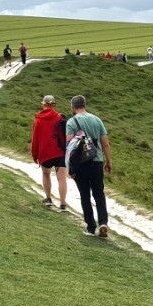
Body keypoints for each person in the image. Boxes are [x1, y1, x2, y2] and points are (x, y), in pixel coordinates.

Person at [64, 94, 112, 237]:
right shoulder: (97, 120)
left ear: (72, 107)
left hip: (81, 164)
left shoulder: (72, 122)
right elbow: (105, 144)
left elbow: (70, 146)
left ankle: (90, 227)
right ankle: (103, 222)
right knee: (99, 193)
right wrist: (108, 161)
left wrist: (71, 168)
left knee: (85, 194)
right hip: (96, 162)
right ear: (85, 105)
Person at [30, 95, 69, 210]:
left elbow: (35, 139)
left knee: (46, 174)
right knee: (61, 178)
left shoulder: (38, 120)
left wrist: (34, 154)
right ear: (53, 105)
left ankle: (48, 199)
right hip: (60, 152)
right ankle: (62, 204)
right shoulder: (59, 117)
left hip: (45, 153)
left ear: (43, 105)